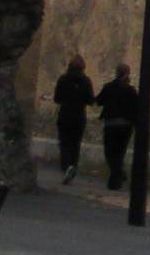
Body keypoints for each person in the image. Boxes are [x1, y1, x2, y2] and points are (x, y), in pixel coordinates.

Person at [95, 63, 141, 191]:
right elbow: (137, 108)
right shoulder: (131, 91)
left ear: (116, 72)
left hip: (111, 125)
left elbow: (98, 101)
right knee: (120, 153)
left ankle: (117, 175)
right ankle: (116, 179)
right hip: (126, 126)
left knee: (110, 153)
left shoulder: (109, 87)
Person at [53, 55, 95, 185]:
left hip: (65, 114)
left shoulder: (63, 79)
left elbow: (57, 98)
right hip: (79, 116)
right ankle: (73, 166)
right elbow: (90, 100)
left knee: (64, 142)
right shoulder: (86, 81)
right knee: (75, 144)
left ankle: (66, 166)